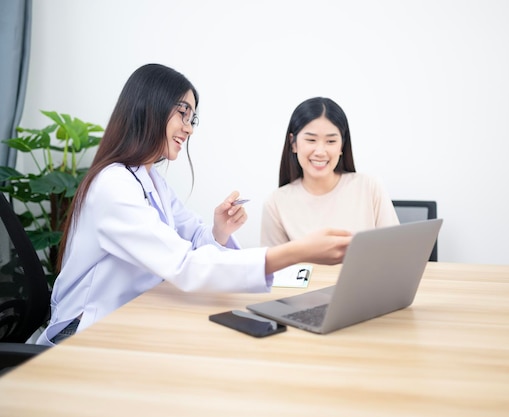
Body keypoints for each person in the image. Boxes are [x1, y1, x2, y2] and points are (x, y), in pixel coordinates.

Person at [36, 64, 351, 346]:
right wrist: (300, 251)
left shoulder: (151, 180)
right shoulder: (113, 186)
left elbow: (192, 241)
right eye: (182, 113)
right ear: (150, 107)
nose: (189, 127)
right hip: (85, 330)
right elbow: (185, 266)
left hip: (133, 314)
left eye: (192, 118)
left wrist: (219, 231)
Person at [261, 97, 398, 246]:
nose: (320, 151)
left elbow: (395, 250)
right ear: (293, 143)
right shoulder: (276, 203)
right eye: (311, 140)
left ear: (341, 147)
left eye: (331, 141)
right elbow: (273, 266)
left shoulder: (370, 187)